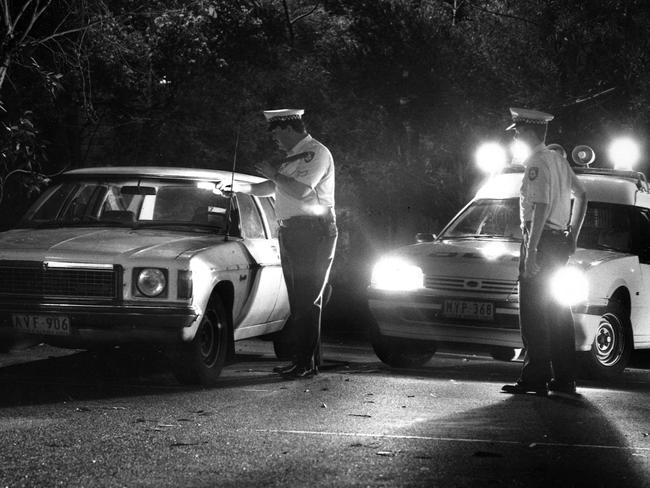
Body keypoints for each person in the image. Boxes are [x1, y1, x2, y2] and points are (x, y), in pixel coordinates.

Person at [235, 108, 337, 379]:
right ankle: (303, 361)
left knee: (307, 298)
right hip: (292, 231)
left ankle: (305, 363)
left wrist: (273, 173)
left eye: (276, 134)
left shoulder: (316, 153)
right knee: (298, 300)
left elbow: (302, 190)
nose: (275, 141)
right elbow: (274, 188)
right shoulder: (294, 157)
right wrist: (239, 189)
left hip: (313, 232)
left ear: (289, 129)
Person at [501, 107, 588, 398]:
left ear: (527, 133)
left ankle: (535, 377)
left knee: (534, 312)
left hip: (541, 239)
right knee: (557, 311)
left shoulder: (538, 161)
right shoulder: (558, 160)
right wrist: (573, 235)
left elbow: (540, 206)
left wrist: (532, 250)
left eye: (517, 133)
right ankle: (564, 378)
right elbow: (582, 195)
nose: (515, 138)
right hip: (559, 240)